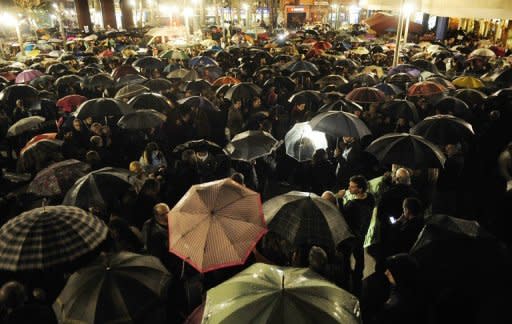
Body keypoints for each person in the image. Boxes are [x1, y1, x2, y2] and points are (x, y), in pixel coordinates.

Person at [337, 175, 375, 297]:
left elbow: (342, 216)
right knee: (359, 257)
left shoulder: (352, 204)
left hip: (351, 236)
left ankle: (347, 282)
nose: (349, 188)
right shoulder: (370, 198)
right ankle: (358, 277)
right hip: (362, 233)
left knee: (346, 258)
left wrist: (340, 199)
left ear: (360, 189)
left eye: (352, 186)